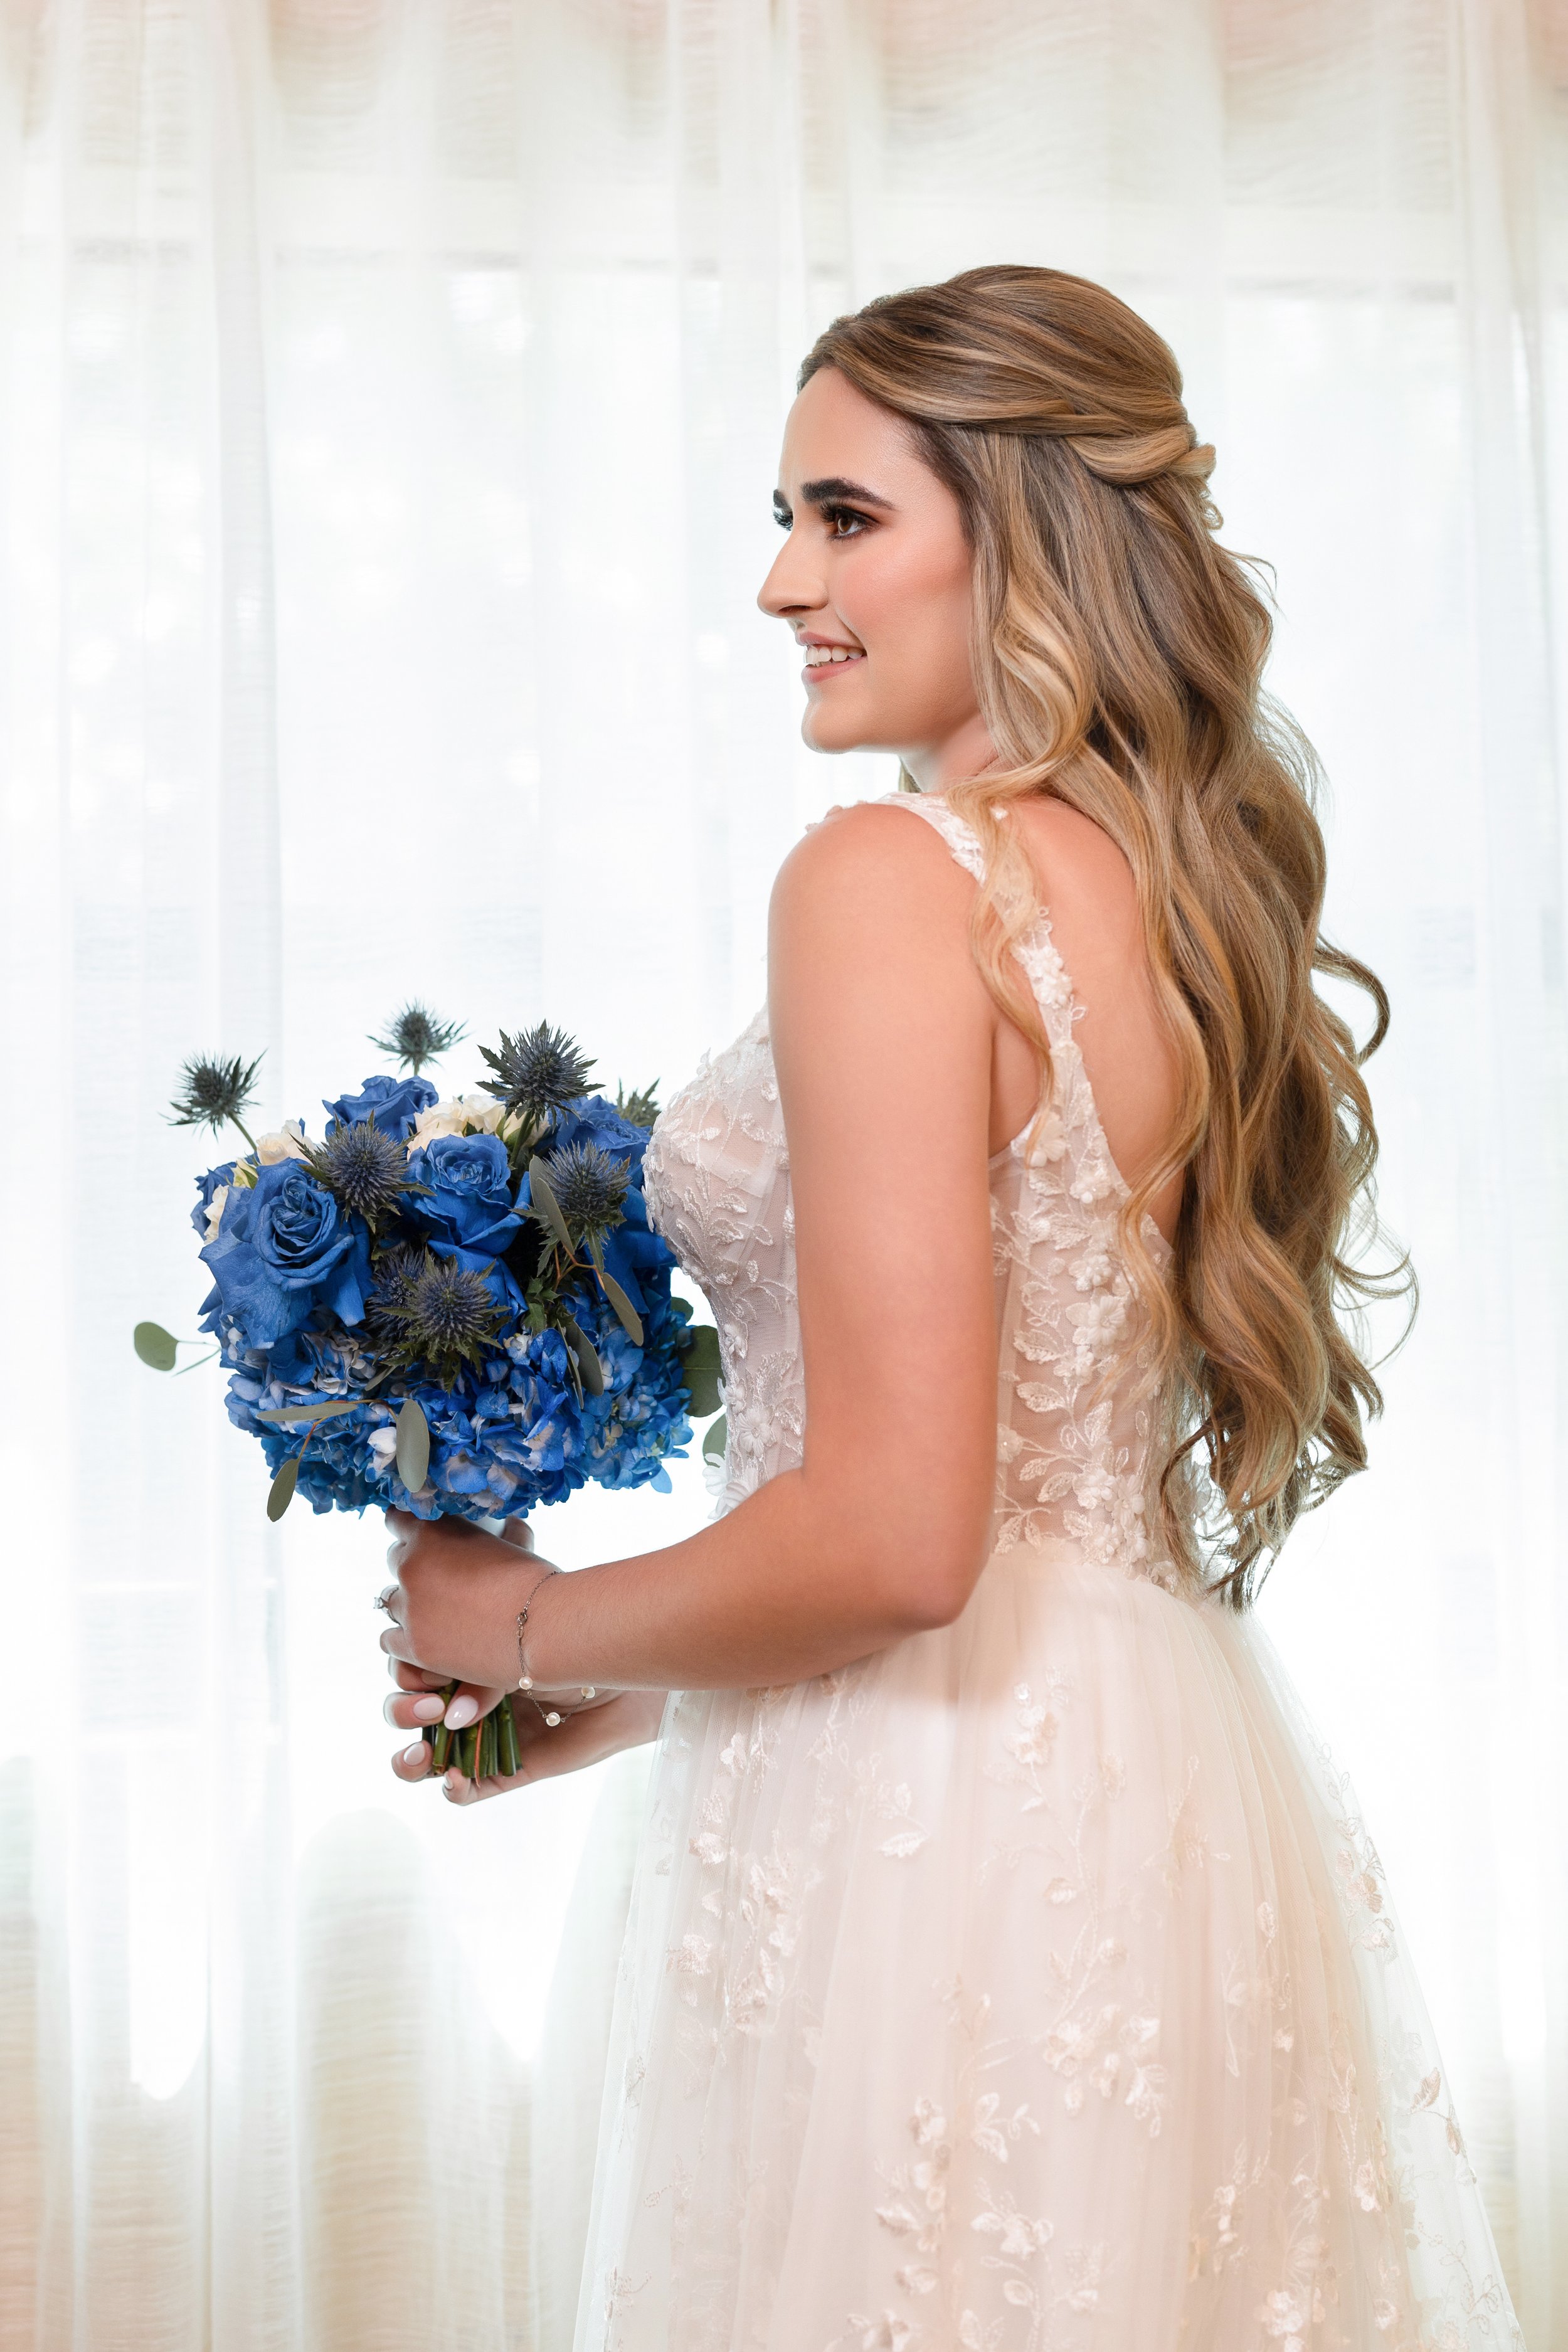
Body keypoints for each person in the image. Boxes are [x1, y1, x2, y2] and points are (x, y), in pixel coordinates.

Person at [375, 267, 1523, 2349]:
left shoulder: (891, 884)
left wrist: (507, 1622)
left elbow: (902, 1540)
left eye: (839, 516)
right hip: (1147, 1776)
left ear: (1018, 528)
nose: (776, 582)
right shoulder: (1174, 896)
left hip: (938, 1839)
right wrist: (613, 1698)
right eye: (785, 517)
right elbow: (1006, 1510)